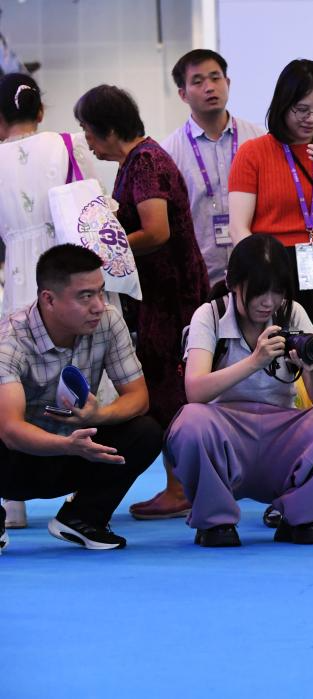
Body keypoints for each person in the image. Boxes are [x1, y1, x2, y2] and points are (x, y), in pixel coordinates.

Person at [164, 235, 313, 547]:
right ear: (232, 283)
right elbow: (195, 391)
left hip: (283, 437)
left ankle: (303, 515)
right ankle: (215, 521)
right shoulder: (210, 315)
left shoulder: (292, 313)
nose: (268, 302)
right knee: (190, 422)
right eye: (259, 291)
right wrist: (255, 361)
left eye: (277, 291)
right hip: (226, 435)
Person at [74, 84, 209, 520]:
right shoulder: (133, 163)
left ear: (110, 129)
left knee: (170, 391)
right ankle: (181, 484)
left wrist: (101, 250)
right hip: (159, 297)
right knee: (166, 388)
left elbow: (156, 232)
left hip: (173, 299)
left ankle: (181, 487)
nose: (87, 141)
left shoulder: (147, 162)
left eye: (88, 131)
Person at [0, 245, 162, 552]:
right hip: (14, 460)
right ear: (48, 299)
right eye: (85, 296)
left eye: (100, 292)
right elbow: (10, 430)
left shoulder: (109, 321)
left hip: (78, 450)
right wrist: (67, 445)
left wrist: (99, 417)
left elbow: (138, 397)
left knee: (146, 432)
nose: (98, 306)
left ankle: (84, 518)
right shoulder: (9, 341)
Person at [0, 73, 103, 529]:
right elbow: (95, 211)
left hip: (19, 273)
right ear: (40, 110)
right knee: (82, 368)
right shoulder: (67, 144)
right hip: (67, 268)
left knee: (14, 379)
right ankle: (84, 484)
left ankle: (12, 503)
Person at [229, 59, 313, 407]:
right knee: (280, 368)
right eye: (301, 109)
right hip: (274, 273)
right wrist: (259, 276)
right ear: (282, 105)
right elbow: (239, 227)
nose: (310, 119)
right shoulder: (254, 152)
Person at [162, 49, 265, 285]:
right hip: (200, 277)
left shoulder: (258, 139)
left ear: (227, 83)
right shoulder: (169, 152)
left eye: (215, 78)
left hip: (255, 270)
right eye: (198, 82)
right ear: (183, 94)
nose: (209, 87)